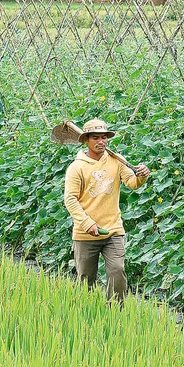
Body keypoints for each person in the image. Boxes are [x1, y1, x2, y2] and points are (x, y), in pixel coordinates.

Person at [63, 119, 151, 303]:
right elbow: (70, 199)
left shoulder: (117, 161)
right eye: (96, 138)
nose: (101, 141)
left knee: (117, 271)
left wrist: (142, 176)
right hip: (85, 234)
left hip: (113, 229)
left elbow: (132, 183)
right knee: (86, 279)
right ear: (86, 140)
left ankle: (115, 314)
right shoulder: (77, 167)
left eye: (104, 137)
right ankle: (84, 315)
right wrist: (87, 224)